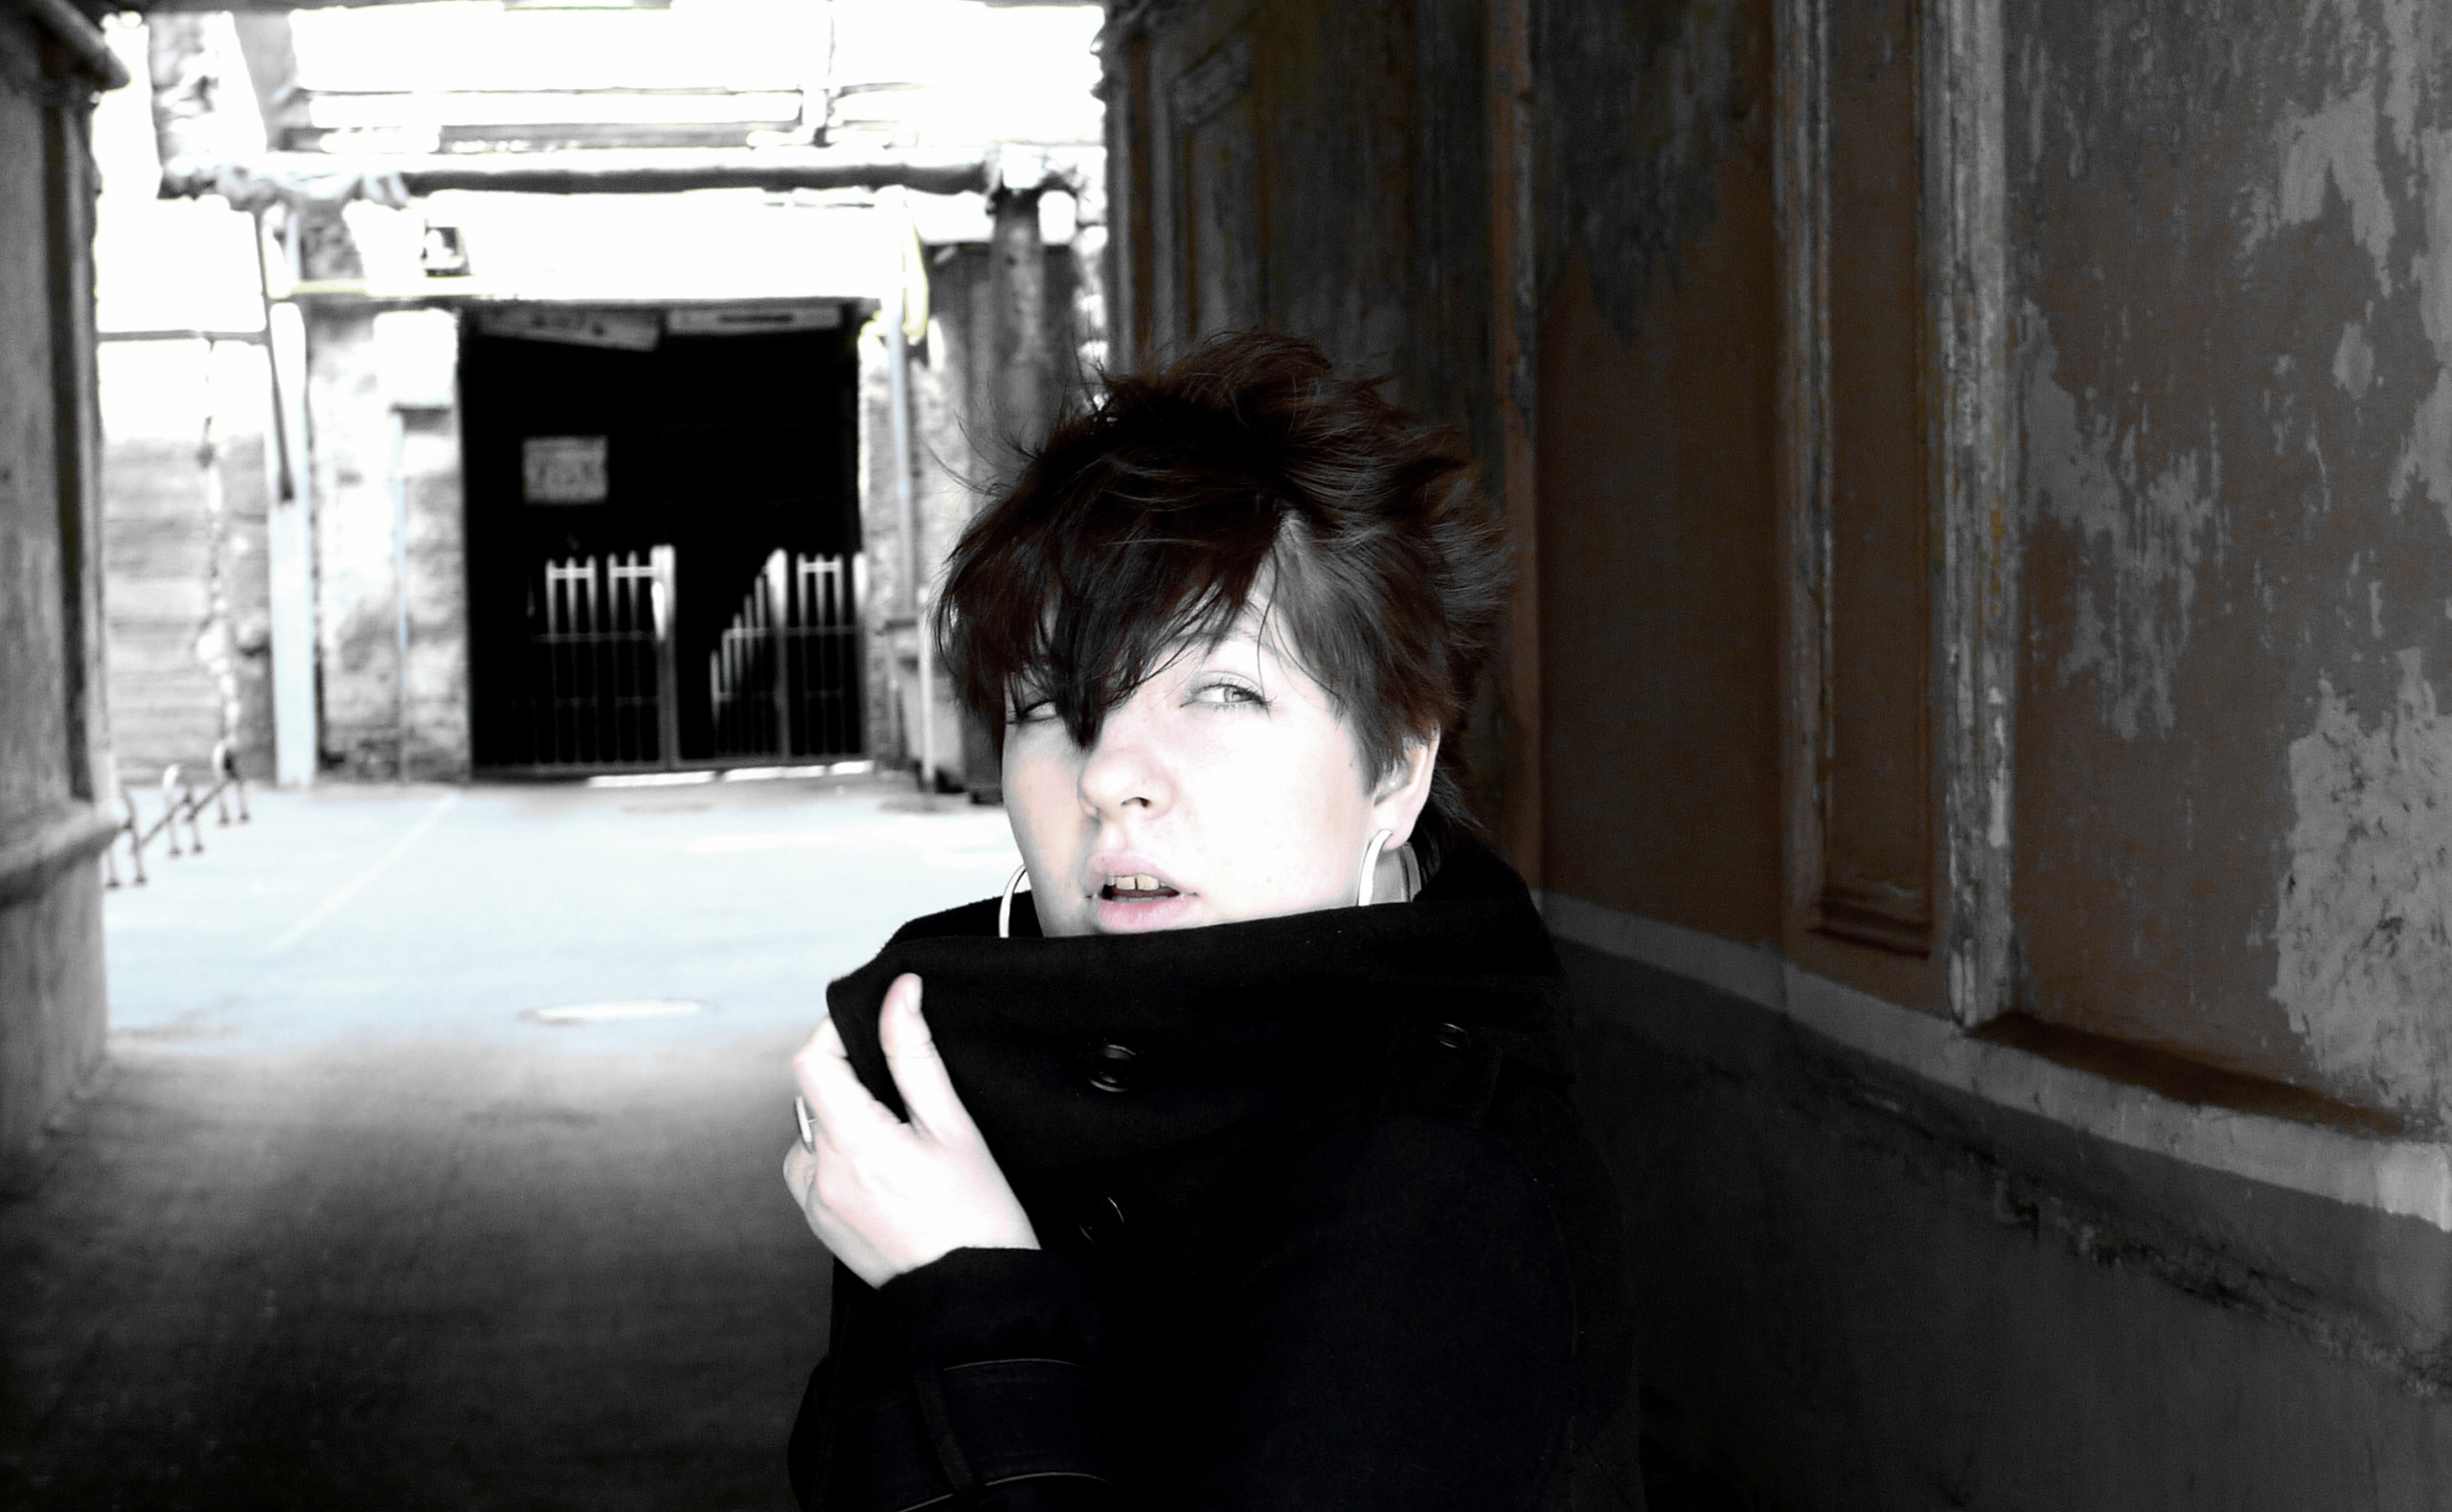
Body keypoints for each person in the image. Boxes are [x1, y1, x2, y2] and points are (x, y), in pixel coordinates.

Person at [782, 331, 1645, 1511]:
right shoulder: (967, 1071)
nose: (1107, 774)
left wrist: (972, 1301)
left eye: (1222, 691)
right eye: (1050, 705)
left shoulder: (1435, 1193)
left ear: (1395, 769)